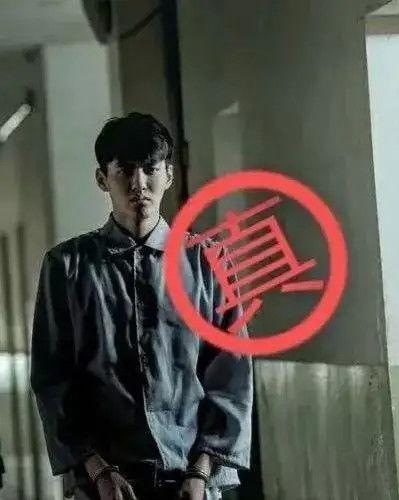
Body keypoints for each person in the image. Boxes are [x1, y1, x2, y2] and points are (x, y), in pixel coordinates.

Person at [30, 112, 253, 500]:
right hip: (105, 485)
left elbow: (231, 376)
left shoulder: (208, 261)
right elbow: (54, 380)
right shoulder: (67, 267)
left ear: (169, 174)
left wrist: (201, 473)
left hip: (192, 480)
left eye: (150, 169)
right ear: (103, 178)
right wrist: (97, 471)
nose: (138, 184)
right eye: (124, 170)